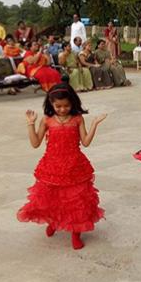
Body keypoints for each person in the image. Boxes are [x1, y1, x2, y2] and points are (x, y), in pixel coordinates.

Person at [17, 84, 106, 250]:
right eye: (58, 106)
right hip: (52, 166)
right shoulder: (47, 120)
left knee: (76, 202)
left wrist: (94, 125)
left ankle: (75, 233)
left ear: (73, 103)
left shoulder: (78, 118)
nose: (63, 109)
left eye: (66, 105)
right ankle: (53, 222)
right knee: (51, 198)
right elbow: (35, 143)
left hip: (75, 165)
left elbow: (85, 142)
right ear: (51, 104)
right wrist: (30, 124)